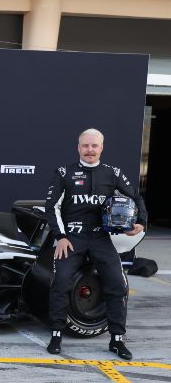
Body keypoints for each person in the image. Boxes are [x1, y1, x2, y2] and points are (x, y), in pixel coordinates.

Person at [45, 128, 147, 360]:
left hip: (101, 238)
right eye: (85, 145)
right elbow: (52, 208)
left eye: (94, 146)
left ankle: (117, 340)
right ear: (78, 147)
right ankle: (56, 334)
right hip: (72, 238)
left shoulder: (113, 173)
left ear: (101, 148)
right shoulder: (64, 173)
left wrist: (140, 221)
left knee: (118, 286)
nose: (90, 150)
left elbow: (135, 196)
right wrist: (60, 236)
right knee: (60, 282)